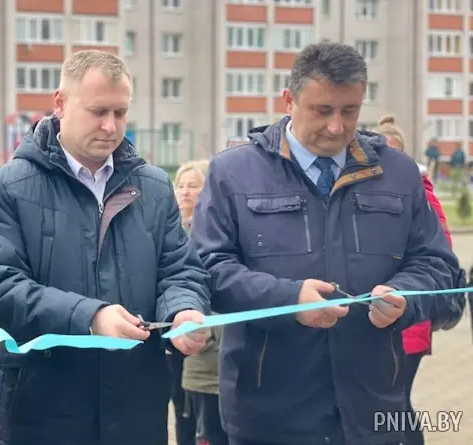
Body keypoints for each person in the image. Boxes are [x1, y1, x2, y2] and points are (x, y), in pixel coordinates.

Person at [191, 41, 464, 445]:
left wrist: (407, 296)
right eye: (323, 111)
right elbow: (207, 270)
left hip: (376, 413)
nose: (337, 127)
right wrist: (289, 300)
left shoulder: (398, 174)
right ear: (289, 100)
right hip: (269, 418)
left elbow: (439, 268)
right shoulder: (233, 173)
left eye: (349, 111)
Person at [0, 49, 213, 445]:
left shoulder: (152, 186)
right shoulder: (7, 187)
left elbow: (180, 269)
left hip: (137, 412)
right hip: (42, 411)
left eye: (120, 113)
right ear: (60, 103)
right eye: (98, 111)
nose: (111, 126)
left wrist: (183, 310)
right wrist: (90, 317)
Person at [373, 115, 453, 445]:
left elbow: (440, 260)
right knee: (392, 406)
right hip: (382, 319)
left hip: (410, 318)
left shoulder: (421, 197)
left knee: (395, 405)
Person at [176, 160, 229, 445]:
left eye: (192, 186)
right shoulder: (173, 233)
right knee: (186, 418)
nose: (185, 192)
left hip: (210, 351)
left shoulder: (213, 235)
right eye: (180, 186)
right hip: (183, 344)